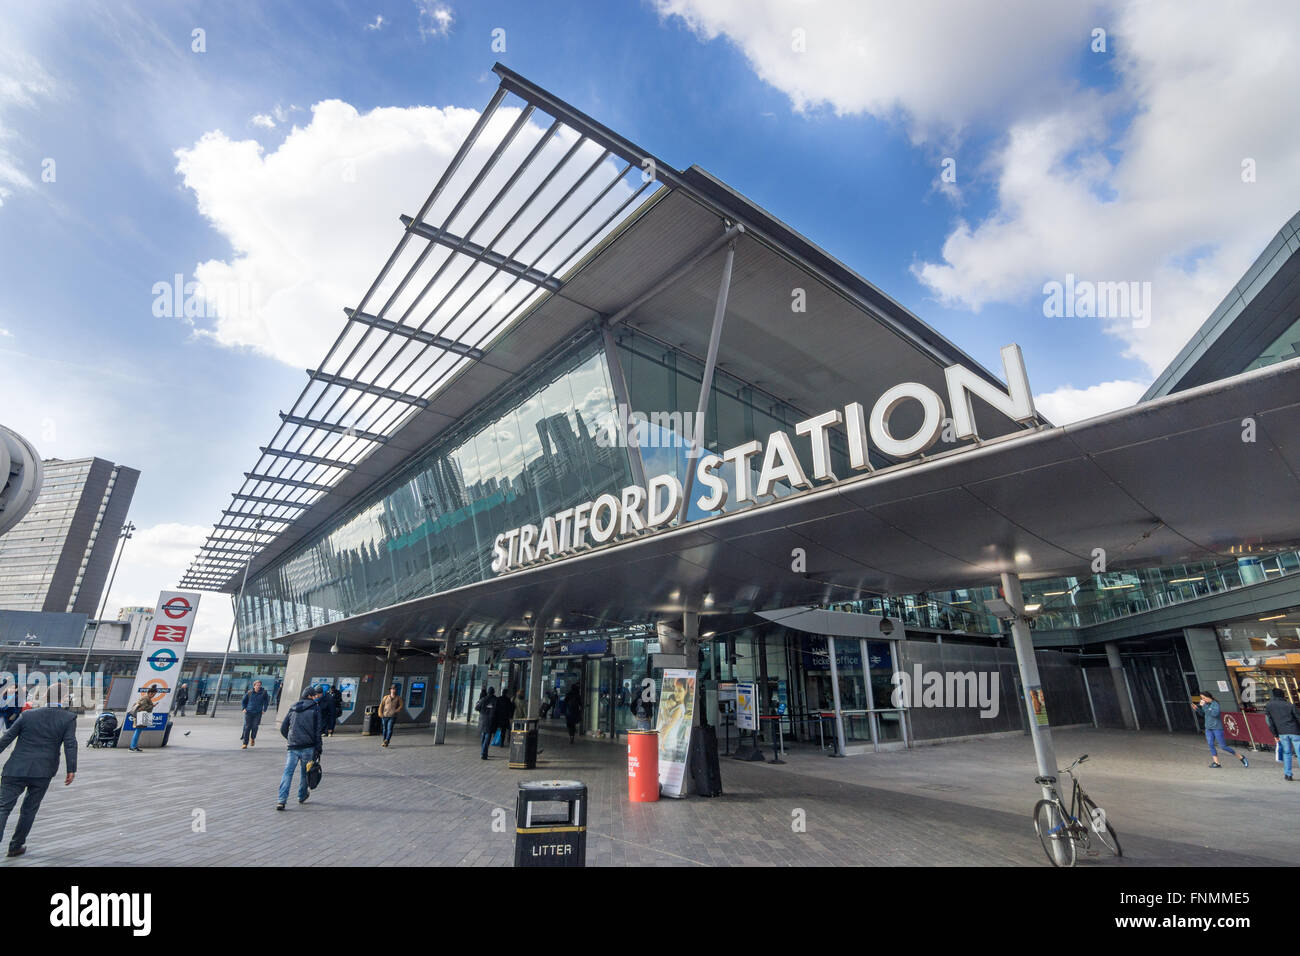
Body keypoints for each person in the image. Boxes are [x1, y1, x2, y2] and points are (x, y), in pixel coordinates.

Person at [0, 684, 77, 858]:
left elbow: (7, 738)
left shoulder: (27, 715)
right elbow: (70, 744)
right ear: (64, 698)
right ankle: (15, 846)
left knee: (3, 807)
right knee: (29, 809)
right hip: (43, 772)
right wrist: (71, 769)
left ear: (45, 697)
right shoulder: (68, 718)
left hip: (15, 769)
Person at [277, 688, 323, 810]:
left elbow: (283, 727)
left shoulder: (293, 708)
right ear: (310, 696)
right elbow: (318, 731)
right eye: (314, 696)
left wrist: (290, 738)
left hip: (292, 746)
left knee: (288, 772)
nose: (315, 697)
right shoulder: (315, 709)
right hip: (308, 746)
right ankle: (301, 795)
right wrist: (319, 747)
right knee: (304, 773)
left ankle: (281, 800)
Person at [1192, 690, 1248, 769]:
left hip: (1217, 728)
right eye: (1201, 698)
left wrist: (1204, 706)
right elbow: (1203, 714)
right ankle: (1216, 763)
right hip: (1208, 728)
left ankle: (1241, 757)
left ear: (1208, 697)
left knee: (1223, 746)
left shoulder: (1215, 704)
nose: (1202, 700)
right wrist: (1197, 709)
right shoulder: (1206, 705)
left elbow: (1215, 714)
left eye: (1204, 698)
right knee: (1211, 744)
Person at [1264, 687, 1300, 781]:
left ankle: (1288, 774)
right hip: (1295, 732)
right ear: (1283, 695)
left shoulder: (1269, 706)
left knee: (1287, 753)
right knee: (1299, 753)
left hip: (1282, 733)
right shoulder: (1289, 705)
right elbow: (1298, 718)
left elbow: (1269, 722)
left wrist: (1275, 735)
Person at [240, 680, 271, 749]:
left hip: (258, 713)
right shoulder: (249, 692)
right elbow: (243, 701)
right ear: (254, 686)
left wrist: (264, 709)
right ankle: (245, 743)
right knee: (247, 727)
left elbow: (266, 702)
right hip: (248, 712)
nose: (258, 686)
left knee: (255, 727)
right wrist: (243, 708)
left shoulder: (264, 693)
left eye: (259, 685)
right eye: (257, 685)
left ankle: (253, 738)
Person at [475, 687, 497, 759]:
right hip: (491, 720)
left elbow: (477, 708)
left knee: (484, 735)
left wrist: (482, 711)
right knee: (487, 736)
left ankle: (483, 751)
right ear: (493, 692)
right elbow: (498, 711)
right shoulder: (496, 700)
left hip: (483, 720)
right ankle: (484, 753)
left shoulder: (483, 699)